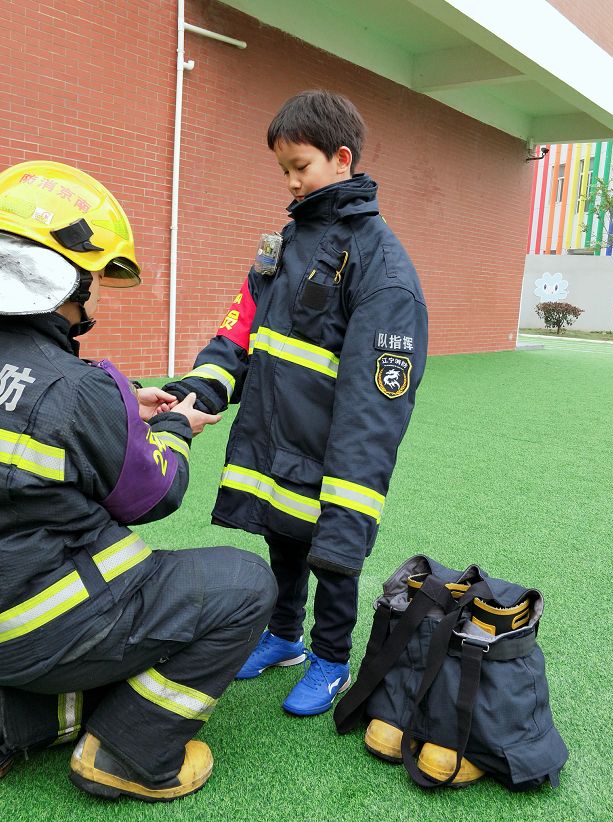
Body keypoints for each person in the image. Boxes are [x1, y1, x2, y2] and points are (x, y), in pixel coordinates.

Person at [0, 160, 276, 801]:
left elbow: (28, 421)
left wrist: (125, 400)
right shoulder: (78, 391)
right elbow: (152, 494)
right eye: (91, 279)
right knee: (245, 584)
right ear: (60, 279)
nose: (92, 293)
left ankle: (5, 719)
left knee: (114, 619)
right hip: (56, 627)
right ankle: (130, 753)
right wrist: (177, 429)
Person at [161, 90, 428, 717]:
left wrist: (350, 489)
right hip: (275, 436)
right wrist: (196, 393)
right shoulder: (283, 243)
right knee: (281, 539)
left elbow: (375, 406)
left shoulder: (382, 266)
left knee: (332, 557)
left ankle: (331, 660)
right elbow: (238, 331)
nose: (290, 182)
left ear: (342, 158)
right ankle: (284, 638)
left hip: (334, 451)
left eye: (300, 167)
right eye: (282, 169)